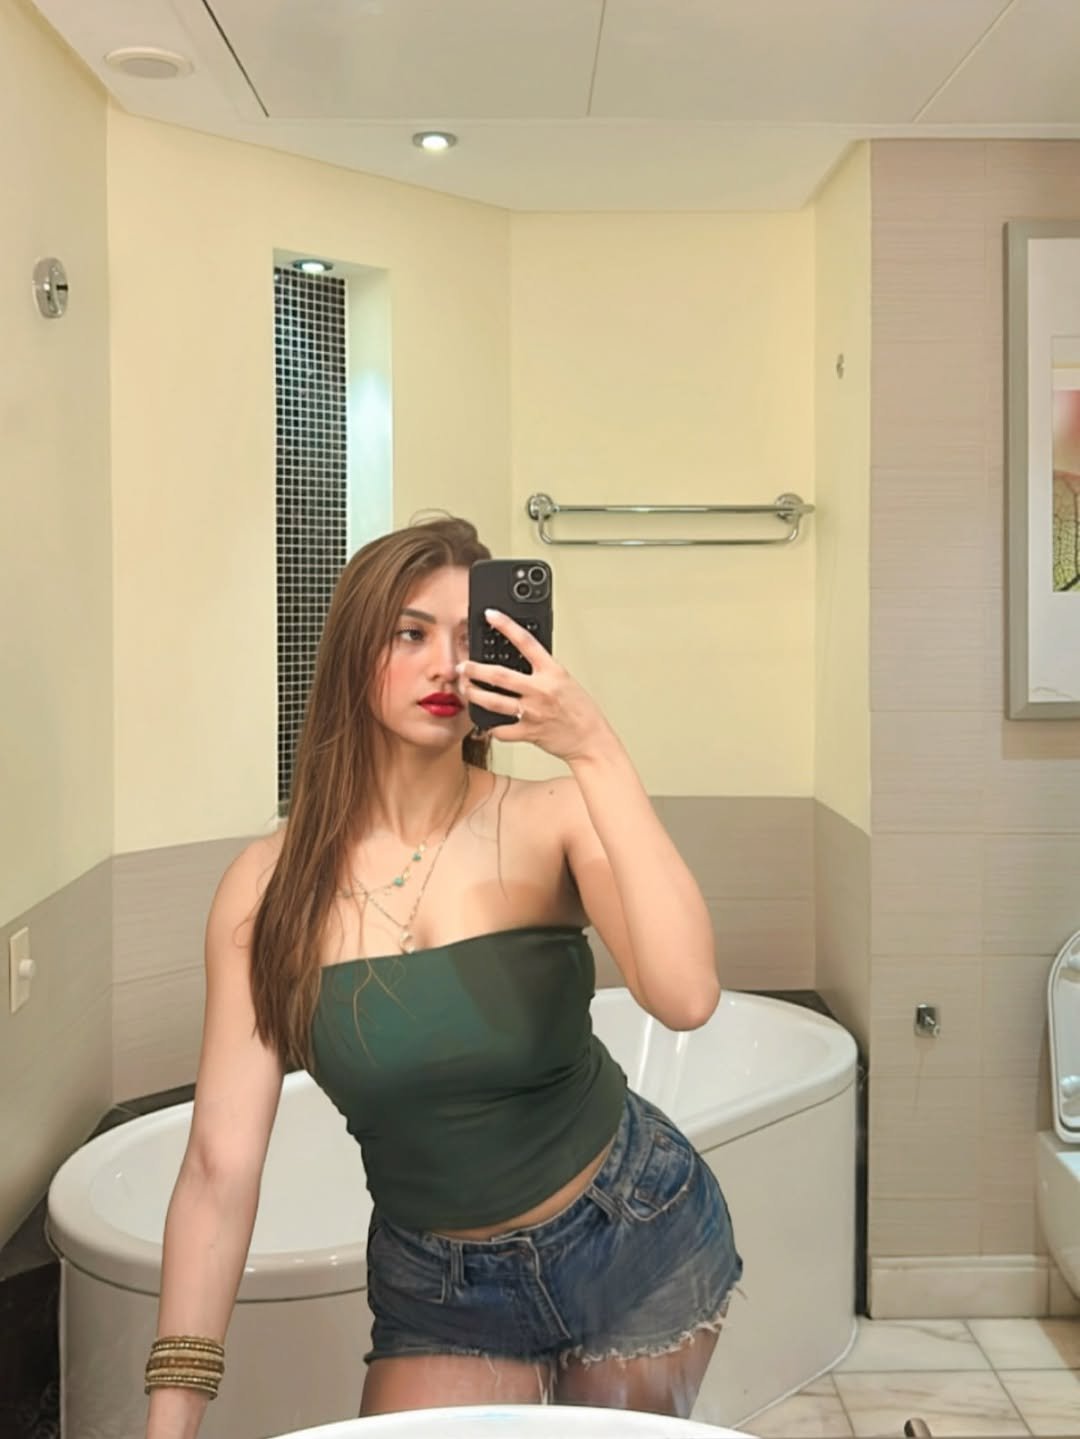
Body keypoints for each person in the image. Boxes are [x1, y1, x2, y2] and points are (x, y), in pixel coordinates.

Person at [144, 516, 742, 1437]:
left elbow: (686, 993)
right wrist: (170, 1418)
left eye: (472, 638)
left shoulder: (554, 816)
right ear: (354, 652)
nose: (446, 666)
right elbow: (218, 1170)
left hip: (634, 1232)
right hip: (439, 1285)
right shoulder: (265, 889)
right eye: (411, 632)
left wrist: (594, 747)